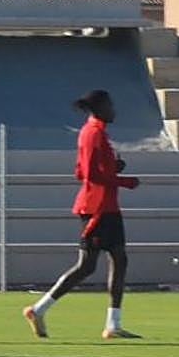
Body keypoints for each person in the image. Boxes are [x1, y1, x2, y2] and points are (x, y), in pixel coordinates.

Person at [22, 90, 142, 339]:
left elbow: (79, 172)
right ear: (99, 107)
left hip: (108, 207)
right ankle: (38, 309)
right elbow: (90, 176)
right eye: (110, 105)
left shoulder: (95, 133)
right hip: (96, 208)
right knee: (86, 266)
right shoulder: (93, 134)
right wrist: (124, 180)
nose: (114, 109)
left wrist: (113, 169)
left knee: (119, 259)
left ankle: (113, 325)